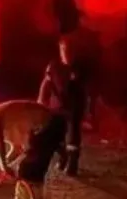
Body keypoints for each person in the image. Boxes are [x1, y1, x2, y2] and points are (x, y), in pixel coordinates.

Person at [0, 98, 68, 199]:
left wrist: (3, 166)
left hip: (48, 127)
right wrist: (3, 164)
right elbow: (16, 149)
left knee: (26, 173)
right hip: (55, 124)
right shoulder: (10, 116)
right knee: (35, 176)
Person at [38, 34, 89, 176]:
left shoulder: (80, 68)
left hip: (74, 108)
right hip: (56, 108)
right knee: (53, 135)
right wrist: (41, 100)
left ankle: (73, 163)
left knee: (73, 135)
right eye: (64, 49)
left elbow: (85, 91)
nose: (67, 53)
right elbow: (46, 83)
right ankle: (62, 156)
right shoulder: (54, 66)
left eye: (70, 50)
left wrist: (87, 110)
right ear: (60, 50)